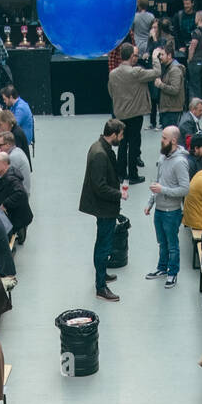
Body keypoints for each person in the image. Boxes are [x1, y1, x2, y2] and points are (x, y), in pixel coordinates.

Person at [79, 120, 124, 303]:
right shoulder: (100, 154)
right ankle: (100, 287)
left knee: (103, 241)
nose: (121, 139)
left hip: (104, 206)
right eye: (120, 135)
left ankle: (102, 273)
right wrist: (118, 194)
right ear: (113, 134)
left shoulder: (99, 147)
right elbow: (100, 187)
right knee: (104, 245)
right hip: (104, 207)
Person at [144, 125, 190, 289]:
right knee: (162, 242)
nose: (161, 140)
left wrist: (162, 190)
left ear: (173, 140)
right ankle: (162, 268)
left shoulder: (180, 163)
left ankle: (173, 273)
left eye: (164, 138)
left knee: (172, 245)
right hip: (159, 210)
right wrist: (151, 202)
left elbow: (185, 189)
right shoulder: (163, 157)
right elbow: (158, 181)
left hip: (172, 212)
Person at [108, 44, 158, 185]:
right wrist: (154, 58)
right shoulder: (136, 72)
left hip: (120, 115)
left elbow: (111, 92)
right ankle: (133, 175)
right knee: (134, 144)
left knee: (122, 144)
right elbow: (156, 72)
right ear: (131, 56)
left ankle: (120, 174)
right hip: (135, 115)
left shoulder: (113, 74)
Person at [0, 151, 33, 243]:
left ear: (5, 164)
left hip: (16, 215)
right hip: (16, 213)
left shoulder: (11, 179)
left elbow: (20, 193)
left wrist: (5, 204)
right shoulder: (8, 174)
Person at [152, 41, 185, 130]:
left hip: (172, 111)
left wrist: (161, 85)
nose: (160, 57)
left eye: (162, 55)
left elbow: (175, 90)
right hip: (168, 109)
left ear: (169, 55)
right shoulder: (167, 68)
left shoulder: (175, 70)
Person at [185, 8, 202, 104]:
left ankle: (196, 106)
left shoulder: (196, 32)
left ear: (199, 18)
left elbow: (192, 46)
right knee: (198, 84)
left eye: (195, 17)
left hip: (195, 61)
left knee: (194, 85)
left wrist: (189, 58)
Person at [0, 131, 32, 197]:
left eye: (0, 145)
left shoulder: (13, 157)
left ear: (8, 145)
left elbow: (4, 179)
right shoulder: (17, 149)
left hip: (20, 195)